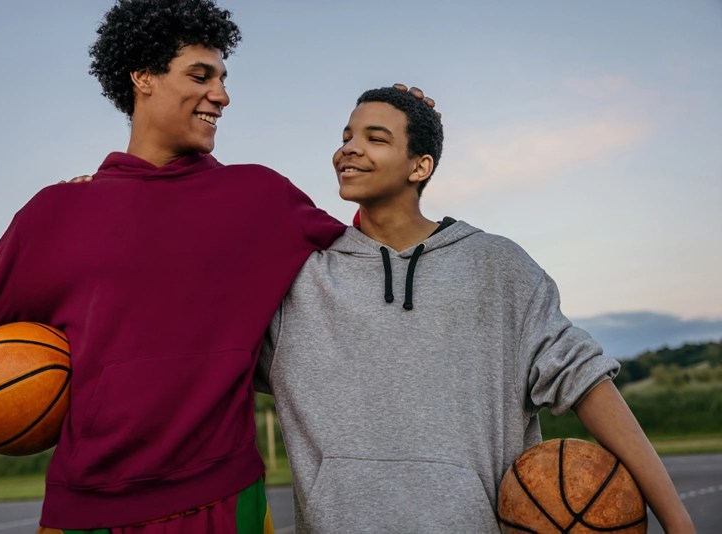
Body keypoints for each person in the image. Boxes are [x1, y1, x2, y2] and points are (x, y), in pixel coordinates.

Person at [0, 1, 345, 532]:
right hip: (86, 510)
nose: (222, 94)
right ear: (142, 76)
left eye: (222, 77)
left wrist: (406, 149)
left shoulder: (261, 199)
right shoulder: (55, 214)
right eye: (200, 74)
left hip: (223, 500)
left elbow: (370, 264)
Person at [256, 86, 695, 533]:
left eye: (376, 137)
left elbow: (585, 383)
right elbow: (210, 363)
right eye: (347, 135)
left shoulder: (496, 267)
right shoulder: (304, 283)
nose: (349, 148)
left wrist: (678, 523)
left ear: (419, 166)